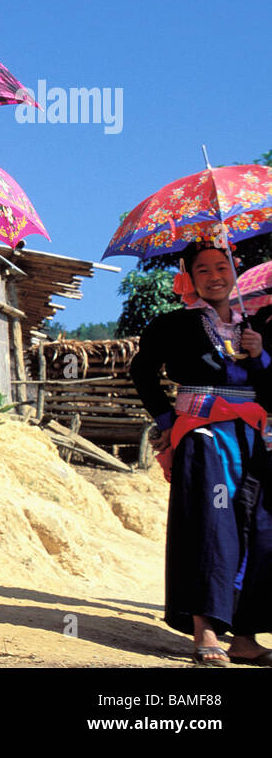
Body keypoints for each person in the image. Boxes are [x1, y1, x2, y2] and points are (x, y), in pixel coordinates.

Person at [129, 241, 272, 666]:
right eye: (203, 269)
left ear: (235, 271)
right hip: (203, 436)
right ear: (189, 279)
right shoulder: (173, 325)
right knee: (210, 525)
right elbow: (142, 372)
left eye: (221, 266)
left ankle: (244, 637)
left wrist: (259, 354)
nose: (214, 276)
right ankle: (205, 629)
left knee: (257, 529)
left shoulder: (258, 325)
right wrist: (167, 421)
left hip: (252, 438)